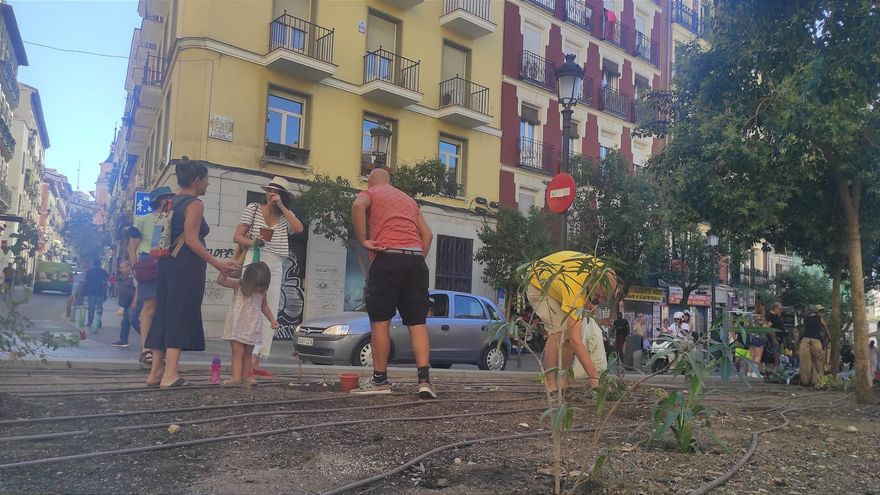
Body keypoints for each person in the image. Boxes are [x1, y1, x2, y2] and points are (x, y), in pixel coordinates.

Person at [144, 157, 239, 388]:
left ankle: (155, 373)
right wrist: (219, 265)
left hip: (165, 264)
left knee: (163, 313)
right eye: (206, 180)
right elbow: (192, 241)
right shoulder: (194, 204)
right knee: (180, 313)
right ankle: (170, 374)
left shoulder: (170, 202)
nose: (207, 184)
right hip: (185, 266)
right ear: (197, 180)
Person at [350, 168, 435, 398]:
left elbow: (358, 206)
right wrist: (417, 260)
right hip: (416, 260)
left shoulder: (372, 193)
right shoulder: (408, 200)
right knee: (417, 323)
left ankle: (380, 380)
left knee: (380, 321)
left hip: (387, 258)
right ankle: (424, 381)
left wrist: (363, 240)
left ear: (370, 182)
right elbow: (427, 234)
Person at [233, 176, 304, 378]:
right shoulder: (254, 208)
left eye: (275, 191)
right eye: (269, 190)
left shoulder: (285, 216)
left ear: (282, 196)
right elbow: (237, 236)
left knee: (269, 307)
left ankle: (256, 360)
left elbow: (299, 229)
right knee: (249, 305)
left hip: (276, 262)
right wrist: (254, 241)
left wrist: (281, 207)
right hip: (254, 256)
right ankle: (245, 358)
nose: (270, 194)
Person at [526, 250, 618, 395]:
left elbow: (572, 337)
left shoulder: (603, 272)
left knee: (569, 334)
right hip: (537, 283)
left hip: (558, 285)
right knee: (558, 331)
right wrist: (594, 376)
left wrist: (590, 301)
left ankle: (562, 384)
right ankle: (551, 385)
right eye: (598, 296)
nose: (599, 302)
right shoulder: (575, 288)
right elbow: (576, 340)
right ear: (592, 285)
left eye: (603, 298)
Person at [127, 186, 176, 365]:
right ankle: (146, 349)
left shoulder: (171, 219)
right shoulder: (142, 220)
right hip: (148, 262)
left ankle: (157, 348)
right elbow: (132, 247)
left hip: (166, 261)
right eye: (166, 198)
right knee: (149, 308)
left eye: (170, 198)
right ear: (158, 200)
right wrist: (135, 269)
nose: (169, 201)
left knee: (162, 308)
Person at [217, 262, 279, 386]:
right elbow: (221, 281)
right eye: (256, 285)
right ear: (249, 280)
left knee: (248, 353)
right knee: (237, 351)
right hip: (237, 324)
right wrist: (224, 271)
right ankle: (235, 378)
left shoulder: (262, 292)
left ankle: (245, 378)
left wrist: (272, 320)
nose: (258, 288)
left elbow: (264, 306)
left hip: (252, 326)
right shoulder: (238, 285)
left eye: (262, 285)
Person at [799, 305, 828, 387]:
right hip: (816, 340)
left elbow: (803, 330)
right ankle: (818, 381)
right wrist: (829, 338)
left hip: (805, 340)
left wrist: (799, 341)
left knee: (806, 361)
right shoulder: (820, 319)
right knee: (818, 361)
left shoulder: (806, 319)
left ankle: (805, 381)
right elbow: (825, 329)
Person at [111, 261, 136, 347]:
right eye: (120, 268)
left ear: (129, 267)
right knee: (125, 322)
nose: (120, 270)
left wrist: (134, 301)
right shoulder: (124, 276)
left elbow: (137, 288)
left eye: (122, 268)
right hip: (126, 302)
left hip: (132, 301)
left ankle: (148, 337)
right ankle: (123, 340)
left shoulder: (133, 275)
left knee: (133, 320)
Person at [82, 258, 109, 331]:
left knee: (91, 308)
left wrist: (84, 292)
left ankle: (90, 322)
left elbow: (86, 282)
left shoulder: (89, 272)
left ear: (93, 264)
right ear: (100, 264)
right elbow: (105, 283)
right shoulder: (104, 272)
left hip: (91, 292)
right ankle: (98, 321)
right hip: (100, 292)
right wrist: (105, 293)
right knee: (99, 308)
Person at [766, 302, 786, 371]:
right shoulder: (770, 316)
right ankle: (772, 370)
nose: (781, 310)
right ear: (775, 308)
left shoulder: (777, 316)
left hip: (779, 339)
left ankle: (775, 369)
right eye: (780, 309)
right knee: (774, 354)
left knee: (777, 354)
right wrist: (774, 338)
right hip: (773, 339)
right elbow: (768, 328)